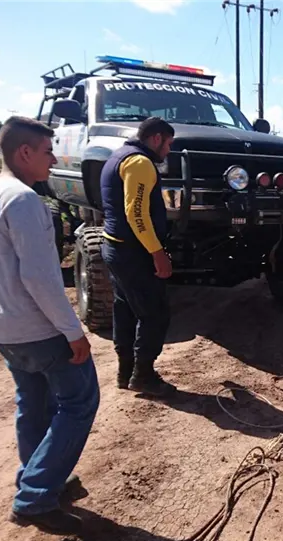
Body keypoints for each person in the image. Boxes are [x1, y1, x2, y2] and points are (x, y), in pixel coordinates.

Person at [0, 116, 99, 535]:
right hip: (37, 328)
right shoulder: (25, 202)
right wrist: (73, 332)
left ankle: (41, 477)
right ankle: (36, 497)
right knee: (79, 403)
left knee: (35, 404)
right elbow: (41, 278)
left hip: (3, 325)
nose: (53, 160)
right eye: (48, 152)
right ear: (24, 152)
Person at [100, 117, 177, 397]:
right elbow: (136, 214)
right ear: (156, 138)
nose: (168, 150)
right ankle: (144, 375)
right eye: (168, 144)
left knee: (125, 309)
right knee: (154, 313)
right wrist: (157, 253)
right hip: (134, 252)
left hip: (115, 247)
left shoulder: (117, 157)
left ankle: (125, 371)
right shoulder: (140, 163)